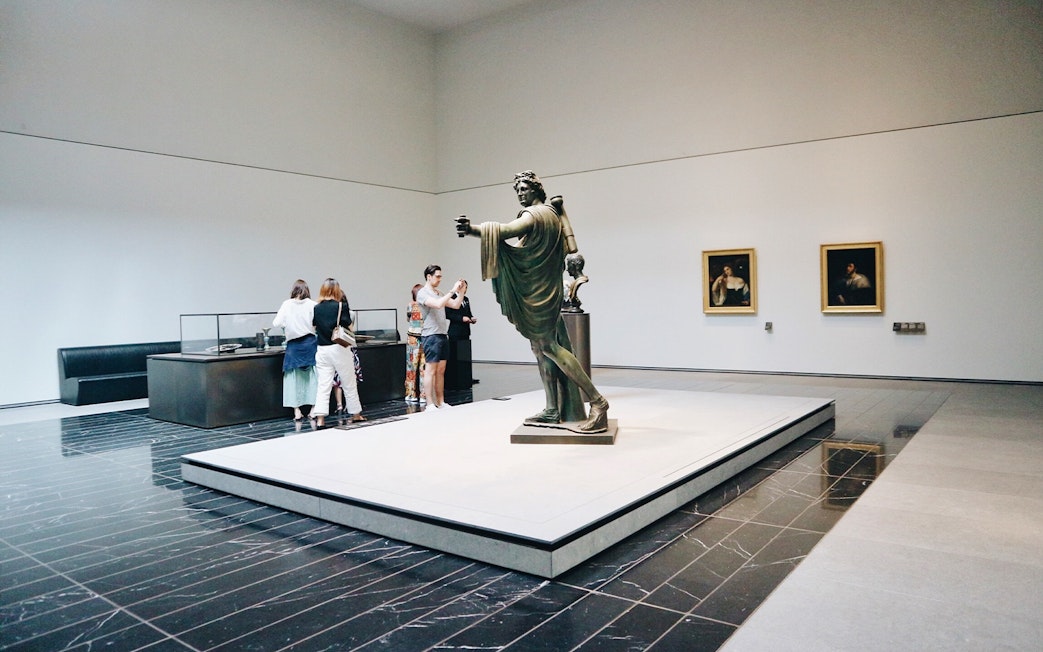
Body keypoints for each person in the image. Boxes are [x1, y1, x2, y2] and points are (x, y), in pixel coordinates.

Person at [455, 170, 609, 432]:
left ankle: (598, 402)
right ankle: (552, 408)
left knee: (549, 347)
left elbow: (506, 231)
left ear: (536, 190)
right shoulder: (551, 215)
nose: (520, 193)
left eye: (524, 189)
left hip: (541, 294)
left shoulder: (536, 214)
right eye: (517, 190)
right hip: (544, 290)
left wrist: (471, 229)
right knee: (540, 348)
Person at [311, 278, 364, 427]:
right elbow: (350, 327)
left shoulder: (316, 308)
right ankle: (356, 414)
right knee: (349, 382)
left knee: (323, 385)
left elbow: (314, 326)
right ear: (336, 290)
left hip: (322, 349)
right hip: (339, 348)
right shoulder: (341, 306)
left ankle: (320, 419)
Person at [416, 265, 464, 409]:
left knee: (441, 370)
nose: (439, 279)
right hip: (431, 335)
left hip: (443, 334)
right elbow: (437, 304)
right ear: (428, 277)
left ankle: (441, 401)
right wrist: (453, 290)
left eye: (440, 276)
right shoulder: (422, 293)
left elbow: (455, 305)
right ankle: (430, 403)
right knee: (430, 370)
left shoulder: (439, 293)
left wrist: (461, 292)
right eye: (437, 276)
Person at [272, 279, 317, 422]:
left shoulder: (287, 304)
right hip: (310, 344)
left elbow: (276, 323)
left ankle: (297, 411)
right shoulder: (313, 304)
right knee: (314, 378)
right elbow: (317, 323)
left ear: (294, 290)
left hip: (293, 346)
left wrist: (288, 323)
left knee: (292, 379)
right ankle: (314, 410)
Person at [445, 279, 477, 388]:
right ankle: (454, 378)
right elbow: (448, 314)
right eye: (463, 287)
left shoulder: (466, 299)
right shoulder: (451, 298)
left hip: (465, 330)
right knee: (455, 355)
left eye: (466, 288)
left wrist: (471, 318)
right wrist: (461, 318)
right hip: (455, 330)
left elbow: (468, 313)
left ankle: (465, 377)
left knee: (464, 355)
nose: (465, 289)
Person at [404, 283, 426, 404]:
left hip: (412, 337)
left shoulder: (410, 305)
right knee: (424, 367)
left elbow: (408, 318)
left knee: (411, 367)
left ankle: (410, 393)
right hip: (424, 337)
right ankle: (423, 395)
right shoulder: (426, 306)